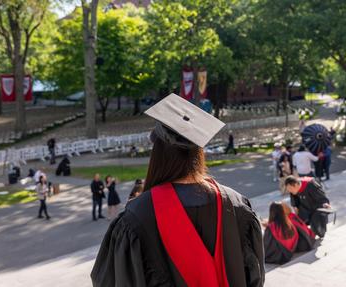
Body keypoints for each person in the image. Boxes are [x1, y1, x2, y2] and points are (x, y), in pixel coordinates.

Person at [91, 93, 265, 287]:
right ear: (199, 152)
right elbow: (254, 277)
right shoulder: (236, 204)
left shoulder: (138, 215)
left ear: (158, 155)